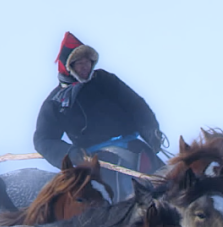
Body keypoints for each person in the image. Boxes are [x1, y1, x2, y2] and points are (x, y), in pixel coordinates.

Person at [33, 31, 164, 200]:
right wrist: (70, 154)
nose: (85, 66)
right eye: (79, 63)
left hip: (134, 147)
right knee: (125, 198)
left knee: (172, 183)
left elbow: (136, 106)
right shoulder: (55, 102)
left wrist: (150, 130)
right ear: (67, 66)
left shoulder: (105, 80)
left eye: (87, 61)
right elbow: (43, 139)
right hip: (98, 161)